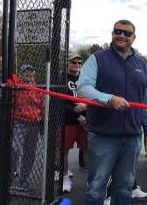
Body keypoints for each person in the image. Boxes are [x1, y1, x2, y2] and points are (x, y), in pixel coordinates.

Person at [78, 19, 147, 205]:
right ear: (112, 34)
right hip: (102, 135)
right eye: (117, 31)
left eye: (127, 33)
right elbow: (83, 88)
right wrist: (109, 99)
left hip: (132, 136)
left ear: (134, 38)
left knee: (125, 186)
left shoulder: (142, 65)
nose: (121, 35)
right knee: (96, 187)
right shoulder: (97, 58)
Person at [11, 64, 45, 190]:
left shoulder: (36, 87)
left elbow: (42, 103)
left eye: (31, 71)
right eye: (26, 72)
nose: (29, 74)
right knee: (15, 149)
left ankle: (23, 179)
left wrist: (41, 115)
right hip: (19, 122)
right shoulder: (17, 86)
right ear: (21, 74)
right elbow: (12, 104)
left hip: (34, 123)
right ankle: (10, 175)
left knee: (30, 152)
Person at [62, 52, 88, 193]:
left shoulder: (85, 78)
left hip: (85, 120)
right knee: (64, 150)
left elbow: (91, 96)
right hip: (68, 120)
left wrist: (86, 107)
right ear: (67, 63)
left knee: (87, 149)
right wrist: (76, 114)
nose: (77, 65)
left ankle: (92, 180)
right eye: (74, 62)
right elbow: (60, 100)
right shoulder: (60, 78)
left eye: (79, 62)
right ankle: (65, 178)